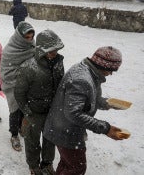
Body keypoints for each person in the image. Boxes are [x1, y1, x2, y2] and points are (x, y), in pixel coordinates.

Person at [43, 46, 125, 175]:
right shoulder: (82, 79)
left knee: (67, 163)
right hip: (65, 131)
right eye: (111, 70)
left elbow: (90, 99)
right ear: (103, 66)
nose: (111, 74)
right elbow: (73, 113)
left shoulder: (89, 72)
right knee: (76, 168)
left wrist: (108, 103)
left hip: (63, 127)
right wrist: (106, 128)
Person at [14, 29, 64, 175]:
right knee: (32, 141)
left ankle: (47, 163)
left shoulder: (58, 63)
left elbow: (61, 86)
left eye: (55, 50)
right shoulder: (28, 67)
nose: (53, 53)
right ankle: (34, 166)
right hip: (34, 112)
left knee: (50, 140)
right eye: (50, 50)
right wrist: (27, 112)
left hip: (52, 111)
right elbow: (19, 92)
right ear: (41, 49)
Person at [0, 22, 36, 152]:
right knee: (14, 111)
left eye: (31, 36)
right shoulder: (10, 51)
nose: (29, 40)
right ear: (19, 37)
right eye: (26, 37)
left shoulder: (32, 46)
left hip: (28, 86)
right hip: (13, 87)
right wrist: (24, 73)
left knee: (24, 109)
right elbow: (6, 73)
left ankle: (21, 128)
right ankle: (14, 134)